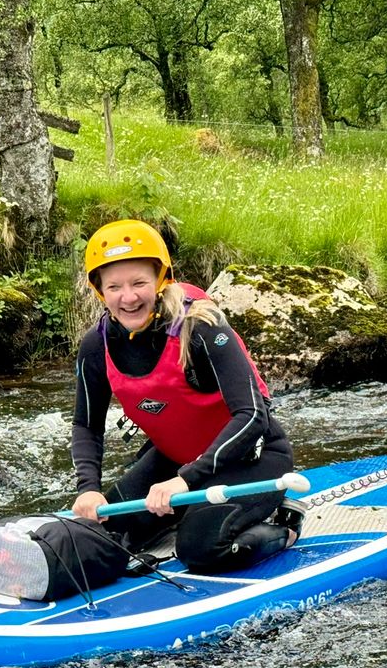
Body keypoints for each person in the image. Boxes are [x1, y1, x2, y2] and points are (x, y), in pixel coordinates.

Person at [70, 219, 299, 573]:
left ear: (161, 279)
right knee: (102, 534)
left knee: (200, 549)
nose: (127, 297)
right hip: (176, 460)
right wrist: (89, 489)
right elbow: (86, 426)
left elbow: (253, 414)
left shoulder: (201, 326)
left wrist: (186, 479)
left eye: (139, 283)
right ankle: (181, 515)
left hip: (252, 459)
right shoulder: (96, 345)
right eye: (114, 286)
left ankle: (285, 527)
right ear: (100, 290)